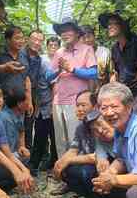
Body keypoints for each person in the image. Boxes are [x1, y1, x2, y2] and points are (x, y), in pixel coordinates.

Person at [91, 82, 137, 198]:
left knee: (134, 194)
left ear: (128, 107)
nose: (109, 112)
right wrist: (109, 173)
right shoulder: (119, 127)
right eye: (104, 108)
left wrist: (113, 180)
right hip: (136, 175)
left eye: (114, 106)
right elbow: (121, 159)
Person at [48, 17, 98, 158]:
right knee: (60, 140)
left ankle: (76, 171)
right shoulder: (59, 53)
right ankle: (62, 173)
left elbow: (94, 73)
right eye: (62, 31)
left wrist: (72, 69)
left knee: (75, 139)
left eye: (68, 30)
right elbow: (47, 77)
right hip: (58, 102)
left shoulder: (86, 50)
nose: (64, 33)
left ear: (77, 33)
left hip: (76, 103)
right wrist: (58, 70)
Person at [51, 90, 97, 198]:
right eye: (77, 106)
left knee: (85, 172)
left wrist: (69, 160)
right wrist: (60, 163)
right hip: (88, 163)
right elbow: (73, 150)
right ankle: (88, 196)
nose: (79, 109)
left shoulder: (99, 126)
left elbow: (96, 157)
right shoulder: (80, 127)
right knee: (64, 168)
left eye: (83, 105)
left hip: (102, 166)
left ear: (95, 107)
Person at [98, 11, 137, 113]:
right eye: (108, 24)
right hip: (125, 93)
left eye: (113, 23)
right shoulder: (115, 49)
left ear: (123, 25)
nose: (109, 27)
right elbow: (116, 72)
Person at [30, 37, 58, 173]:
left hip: (51, 106)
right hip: (41, 105)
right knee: (40, 135)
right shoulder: (42, 60)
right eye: (50, 44)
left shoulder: (57, 62)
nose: (53, 46)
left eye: (55, 45)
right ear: (47, 46)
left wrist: (53, 106)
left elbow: (55, 86)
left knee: (54, 136)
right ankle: (35, 162)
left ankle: (52, 162)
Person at [0, 25, 33, 114]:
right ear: (8, 40)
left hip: (20, 104)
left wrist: (29, 100)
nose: (21, 41)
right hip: (3, 104)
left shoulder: (24, 55)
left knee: (19, 127)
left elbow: (27, 78)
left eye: (22, 38)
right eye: (17, 38)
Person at [0, 86, 31, 165]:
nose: (29, 103)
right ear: (19, 104)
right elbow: (7, 150)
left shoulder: (18, 114)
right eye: (27, 100)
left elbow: (21, 131)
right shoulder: (6, 119)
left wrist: (22, 146)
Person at [23, 30, 44, 150]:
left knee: (28, 127)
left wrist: (36, 103)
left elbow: (35, 81)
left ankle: (27, 159)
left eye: (40, 40)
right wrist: (29, 100)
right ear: (28, 39)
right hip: (19, 96)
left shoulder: (38, 59)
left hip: (32, 97)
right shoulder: (20, 54)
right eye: (34, 39)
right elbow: (25, 78)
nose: (37, 42)